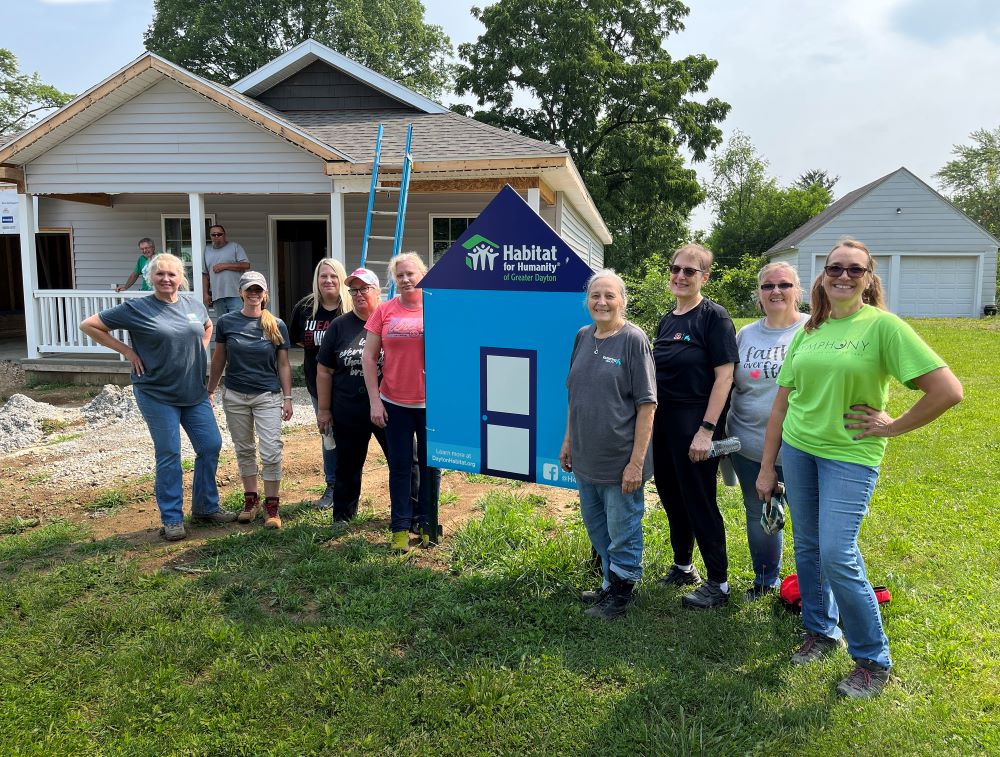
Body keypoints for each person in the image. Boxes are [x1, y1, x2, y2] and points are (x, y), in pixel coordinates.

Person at [756, 238, 962, 698]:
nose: (843, 276)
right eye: (835, 268)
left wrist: (893, 426)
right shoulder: (810, 330)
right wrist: (768, 466)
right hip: (798, 450)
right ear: (823, 276)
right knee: (808, 548)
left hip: (850, 456)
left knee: (836, 551)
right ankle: (820, 632)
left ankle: (872, 658)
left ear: (869, 278)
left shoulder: (884, 327)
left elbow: (948, 390)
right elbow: (781, 405)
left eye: (854, 269)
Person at [80, 253, 235, 541]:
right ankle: (172, 519)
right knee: (170, 454)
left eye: (171, 274)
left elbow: (207, 326)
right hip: (156, 393)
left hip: (193, 392)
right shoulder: (137, 308)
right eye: (160, 274)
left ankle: (205, 506)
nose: (166, 279)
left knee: (211, 445)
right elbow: (89, 324)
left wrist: (201, 348)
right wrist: (126, 351)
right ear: (151, 277)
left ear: (181, 278)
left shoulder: (193, 304)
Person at [560, 269, 656, 620]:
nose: (601, 302)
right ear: (587, 301)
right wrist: (568, 441)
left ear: (622, 301)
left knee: (623, 528)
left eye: (609, 295)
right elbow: (575, 394)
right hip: (586, 456)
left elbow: (647, 405)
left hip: (621, 460)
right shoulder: (583, 336)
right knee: (597, 525)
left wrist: (636, 463)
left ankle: (622, 591)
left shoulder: (633, 340)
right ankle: (608, 582)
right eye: (595, 296)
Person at [651, 243, 739, 609]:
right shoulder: (667, 319)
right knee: (672, 497)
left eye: (690, 271)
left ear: (705, 277)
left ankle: (718, 583)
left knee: (700, 500)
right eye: (676, 269)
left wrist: (707, 429)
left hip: (696, 423)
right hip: (663, 422)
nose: (680, 276)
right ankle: (684, 566)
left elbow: (725, 378)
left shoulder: (713, 317)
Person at [726, 262, 808, 600]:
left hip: (800, 446)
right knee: (761, 513)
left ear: (797, 291)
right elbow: (729, 385)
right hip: (748, 443)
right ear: (759, 295)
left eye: (784, 285)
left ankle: (813, 589)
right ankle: (765, 580)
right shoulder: (745, 334)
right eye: (768, 286)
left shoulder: (813, 330)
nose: (776, 291)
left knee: (807, 520)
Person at [362, 252, 441, 552]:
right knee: (400, 466)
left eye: (411, 273)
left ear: (423, 274)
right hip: (393, 402)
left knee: (432, 467)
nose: (406, 280)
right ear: (394, 280)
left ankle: (427, 523)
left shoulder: (437, 309)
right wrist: (374, 401)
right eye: (400, 276)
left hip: (430, 405)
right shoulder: (384, 311)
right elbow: (369, 358)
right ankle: (399, 527)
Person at [207, 271, 293, 530]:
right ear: (241, 292)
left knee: (271, 451)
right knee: (244, 449)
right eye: (249, 289)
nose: (254, 294)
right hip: (235, 395)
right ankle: (250, 501)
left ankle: (272, 506)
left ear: (264, 294)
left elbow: (284, 364)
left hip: (267, 395)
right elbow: (219, 358)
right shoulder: (226, 322)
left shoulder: (276, 324)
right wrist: (210, 389)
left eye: (258, 290)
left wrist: (288, 397)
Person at [289, 258, 352, 510]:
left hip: (349, 385)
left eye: (334, 276)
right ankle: (332, 485)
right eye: (323, 276)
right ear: (317, 280)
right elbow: (300, 341)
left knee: (351, 435)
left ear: (341, 279)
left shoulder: (350, 308)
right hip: (318, 385)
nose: (328, 281)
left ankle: (350, 485)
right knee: (328, 435)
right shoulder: (304, 309)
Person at [201, 225, 250, 315]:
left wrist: (225, 265)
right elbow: (205, 274)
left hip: (235, 294)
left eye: (219, 234)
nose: (216, 236)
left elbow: (246, 265)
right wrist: (205, 293)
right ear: (210, 236)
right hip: (217, 296)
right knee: (222, 324)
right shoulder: (207, 250)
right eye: (213, 234)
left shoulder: (235, 247)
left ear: (224, 235)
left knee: (236, 323)